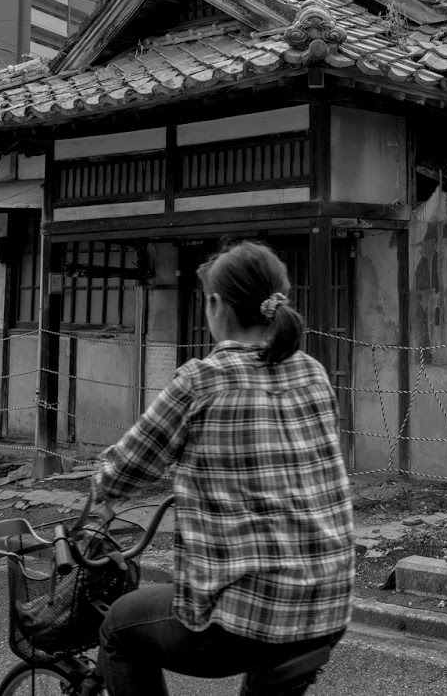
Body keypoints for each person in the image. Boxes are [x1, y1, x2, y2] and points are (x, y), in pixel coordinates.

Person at [90, 241, 353, 696]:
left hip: (244, 617)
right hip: (327, 604)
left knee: (118, 630)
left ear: (215, 304)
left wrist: (101, 492)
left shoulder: (202, 379)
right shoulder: (312, 372)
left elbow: (125, 469)